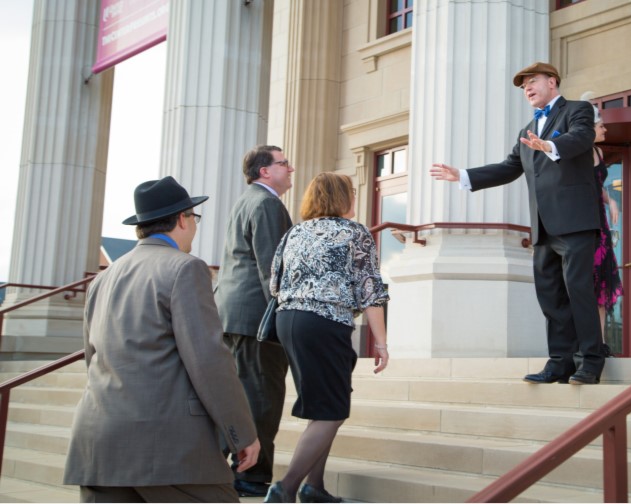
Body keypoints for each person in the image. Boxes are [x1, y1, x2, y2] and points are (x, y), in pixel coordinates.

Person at [63, 177, 260, 503]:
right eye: (194, 218)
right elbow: (209, 360)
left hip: (99, 442)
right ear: (183, 218)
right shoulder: (185, 269)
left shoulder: (102, 278)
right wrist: (241, 432)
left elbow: (92, 358)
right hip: (169, 448)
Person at [430, 62, 605, 385]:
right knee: (551, 297)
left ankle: (590, 361)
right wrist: (464, 175)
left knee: (578, 291)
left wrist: (550, 145)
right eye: (523, 86)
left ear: (552, 81)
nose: (526, 88)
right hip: (542, 227)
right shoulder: (528, 130)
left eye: (532, 81)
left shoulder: (577, 110)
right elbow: (510, 167)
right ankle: (560, 362)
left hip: (575, 221)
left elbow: (582, 137)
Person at [264, 172, 389, 503]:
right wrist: (381, 342)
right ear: (342, 198)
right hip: (324, 322)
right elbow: (369, 289)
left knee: (325, 405)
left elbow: (273, 282)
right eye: (351, 193)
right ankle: (285, 488)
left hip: (288, 320)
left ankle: (314, 488)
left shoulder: (294, 232)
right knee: (332, 410)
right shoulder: (354, 233)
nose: (355, 198)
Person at [214, 145, 294, 497]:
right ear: (265, 171)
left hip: (233, 315)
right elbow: (272, 269)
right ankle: (250, 475)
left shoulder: (245, 200)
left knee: (240, 395)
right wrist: (288, 317)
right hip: (256, 319)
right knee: (262, 397)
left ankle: (225, 465)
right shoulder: (266, 203)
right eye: (283, 163)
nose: (290, 168)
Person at [589, 103, 623, 355]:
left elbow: (597, 186)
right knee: (587, 286)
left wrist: (610, 199)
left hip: (601, 224)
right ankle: (586, 344)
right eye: (601, 126)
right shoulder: (578, 152)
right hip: (584, 223)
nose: (605, 129)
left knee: (601, 286)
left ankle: (599, 343)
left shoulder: (599, 153)